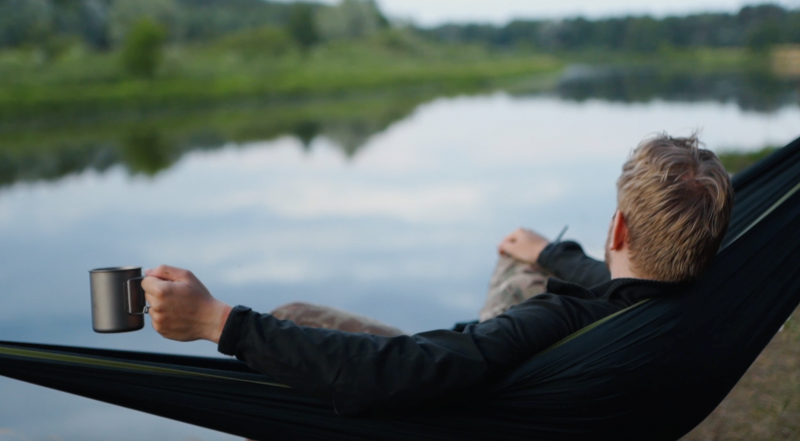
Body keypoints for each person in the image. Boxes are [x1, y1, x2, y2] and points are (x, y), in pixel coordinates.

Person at [141, 133, 734, 415]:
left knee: (291, 318)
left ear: (621, 231)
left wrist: (220, 323)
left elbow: (402, 371)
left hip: (466, 408)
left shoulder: (558, 320)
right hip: (588, 401)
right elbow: (625, 283)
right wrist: (550, 252)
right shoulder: (708, 291)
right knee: (519, 258)